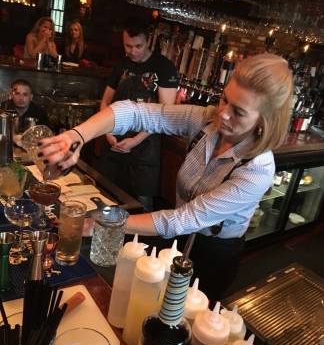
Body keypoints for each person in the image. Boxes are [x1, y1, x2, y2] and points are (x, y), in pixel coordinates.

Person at [39, 53, 293, 303]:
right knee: (152, 300)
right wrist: (76, 136)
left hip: (213, 254)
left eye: (238, 112)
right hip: (177, 237)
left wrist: (107, 222)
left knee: (184, 320)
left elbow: (185, 219)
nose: (223, 113)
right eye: (225, 99)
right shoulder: (208, 120)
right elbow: (136, 113)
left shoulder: (257, 169)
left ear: (264, 121)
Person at [99, 17, 179, 211]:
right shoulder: (121, 65)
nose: (132, 51)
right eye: (128, 46)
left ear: (148, 41)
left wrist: (135, 141)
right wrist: (107, 132)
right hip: (113, 142)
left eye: (138, 46)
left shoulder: (164, 67)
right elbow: (105, 102)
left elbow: (164, 114)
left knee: (141, 206)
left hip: (145, 149)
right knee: (106, 200)